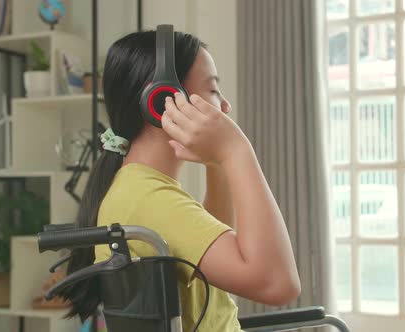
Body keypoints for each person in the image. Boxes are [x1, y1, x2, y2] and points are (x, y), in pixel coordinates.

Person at [58, 30, 301, 331]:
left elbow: (206, 247)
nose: (225, 107)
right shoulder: (151, 200)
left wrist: (218, 164)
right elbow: (277, 285)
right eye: (213, 91)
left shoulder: (138, 189)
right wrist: (237, 151)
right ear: (161, 101)